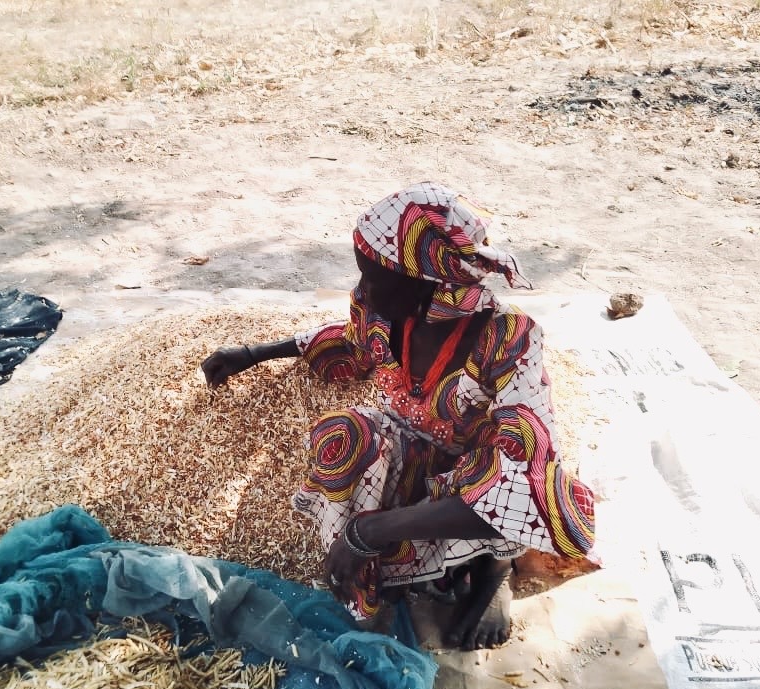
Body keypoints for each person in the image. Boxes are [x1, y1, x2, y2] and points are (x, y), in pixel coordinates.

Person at [201, 182, 596, 650]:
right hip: (412, 454)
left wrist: (369, 529)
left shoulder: (510, 338)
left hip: (469, 481)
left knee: (517, 486)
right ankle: (370, 581)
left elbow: (524, 479)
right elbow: (347, 340)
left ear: (430, 280)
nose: (362, 288)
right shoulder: (384, 314)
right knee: (347, 433)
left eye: (375, 277)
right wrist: (254, 353)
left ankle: (493, 572)